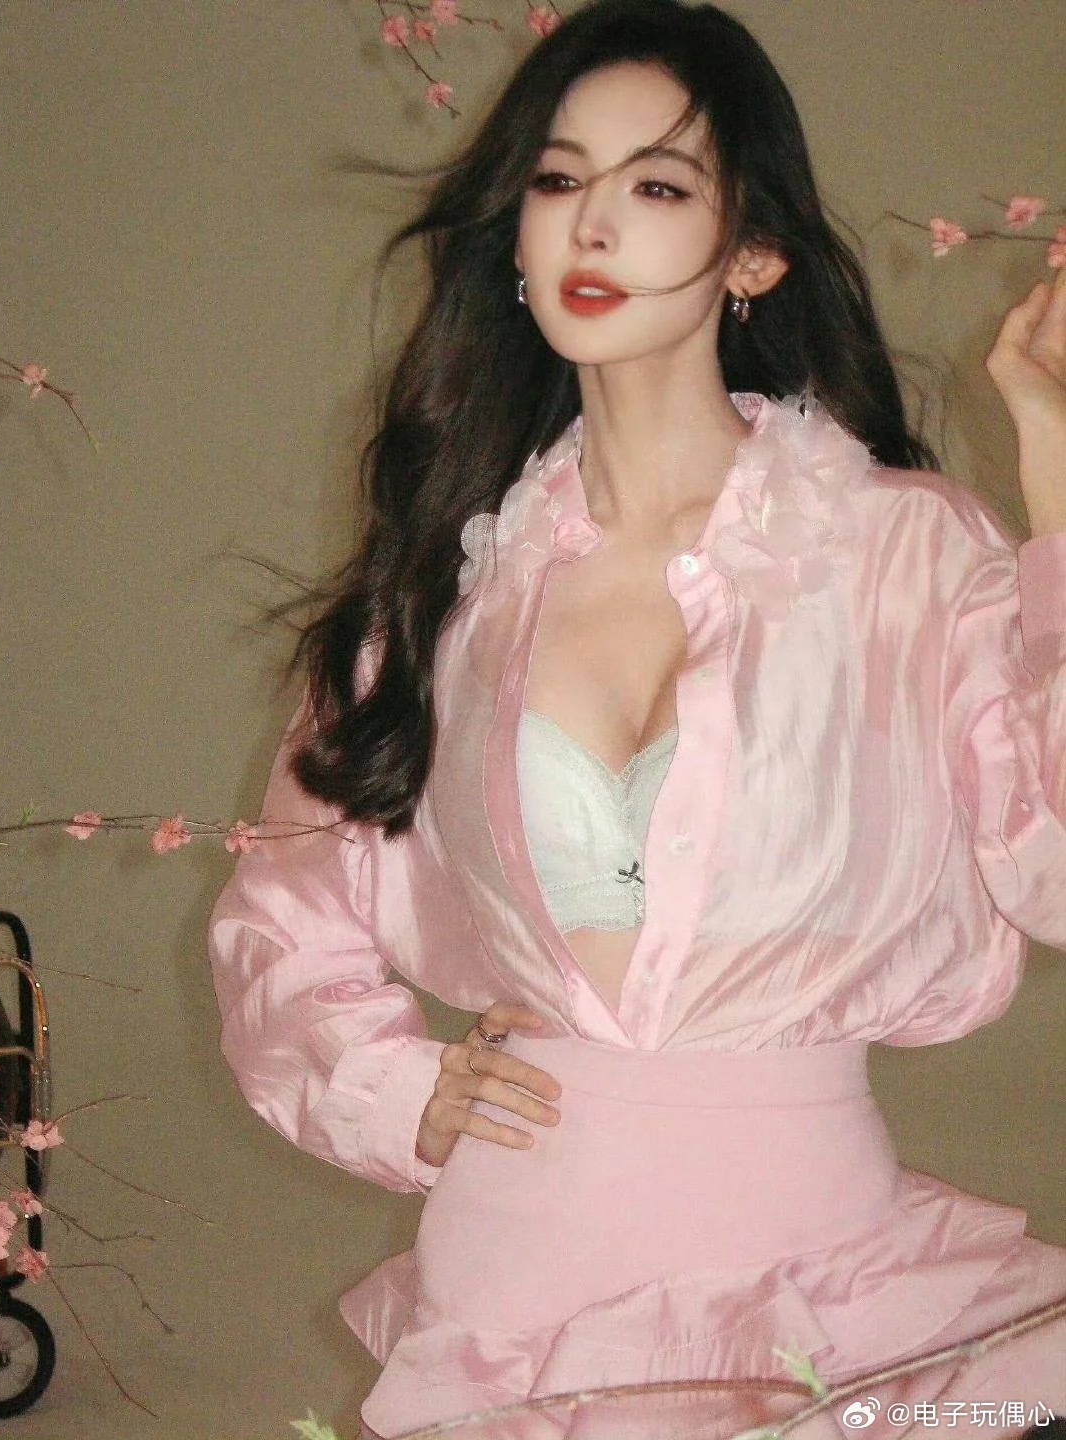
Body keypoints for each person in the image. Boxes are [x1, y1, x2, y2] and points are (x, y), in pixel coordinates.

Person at [208, 1, 1066, 1435]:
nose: (591, 225)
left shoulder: (904, 556)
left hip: (827, 1300)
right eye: (558, 180)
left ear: (755, 252)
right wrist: (387, 1086)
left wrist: (1056, 470)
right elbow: (282, 915)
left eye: (657, 186)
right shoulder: (439, 596)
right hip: (515, 1301)